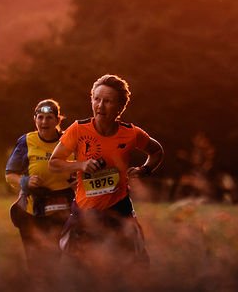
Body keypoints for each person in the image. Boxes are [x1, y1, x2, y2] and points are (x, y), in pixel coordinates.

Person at [48, 74, 163, 272]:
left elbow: (157, 151)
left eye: (108, 101)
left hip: (119, 210)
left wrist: (144, 169)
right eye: (97, 99)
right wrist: (80, 165)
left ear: (120, 107)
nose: (100, 106)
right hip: (85, 212)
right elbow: (54, 163)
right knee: (72, 269)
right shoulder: (78, 129)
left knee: (135, 267)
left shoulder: (131, 133)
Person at [4, 99, 75, 278]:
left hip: (63, 211)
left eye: (49, 117)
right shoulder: (26, 141)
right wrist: (25, 182)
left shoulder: (70, 140)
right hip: (31, 212)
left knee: (55, 259)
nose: (44, 122)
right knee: (35, 263)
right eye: (40, 117)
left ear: (58, 120)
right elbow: (10, 175)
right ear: (34, 119)